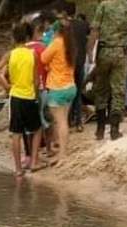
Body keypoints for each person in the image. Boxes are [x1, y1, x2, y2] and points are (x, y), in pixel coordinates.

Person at [0, 23, 43, 177]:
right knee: (37, 129)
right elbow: (36, 80)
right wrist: (35, 95)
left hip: (15, 97)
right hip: (29, 96)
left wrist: (7, 87)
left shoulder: (10, 54)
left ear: (14, 38)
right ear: (27, 37)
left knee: (16, 133)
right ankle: (33, 162)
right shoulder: (32, 54)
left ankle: (18, 169)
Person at [87, 0, 127, 140]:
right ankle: (114, 130)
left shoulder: (103, 5)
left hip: (103, 52)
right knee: (118, 91)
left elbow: (95, 30)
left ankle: (100, 129)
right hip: (121, 54)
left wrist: (89, 51)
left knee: (101, 89)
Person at [42, 9, 76, 163]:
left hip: (57, 88)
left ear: (56, 31)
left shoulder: (57, 42)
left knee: (60, 122)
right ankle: (62, 149)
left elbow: (43, 58)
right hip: (70, 86)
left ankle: (63, 155)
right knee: (64, 121)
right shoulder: (71, 44)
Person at [26, 16, 52, 158]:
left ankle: (31, 154)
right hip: (42, 88)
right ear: (39, 32)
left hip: (27, 91)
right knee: (46, 121)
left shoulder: (23, 49)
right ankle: (48, 149)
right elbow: (49, 69)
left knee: (32, 124)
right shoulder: (42, 48)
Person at [67, 1, 90, 131]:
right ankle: (78, 123)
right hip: (81, 62)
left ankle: (68, 120)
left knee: (67, 93)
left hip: (68, 64)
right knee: (77, 93)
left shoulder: (63, 27)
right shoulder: (83, 25)